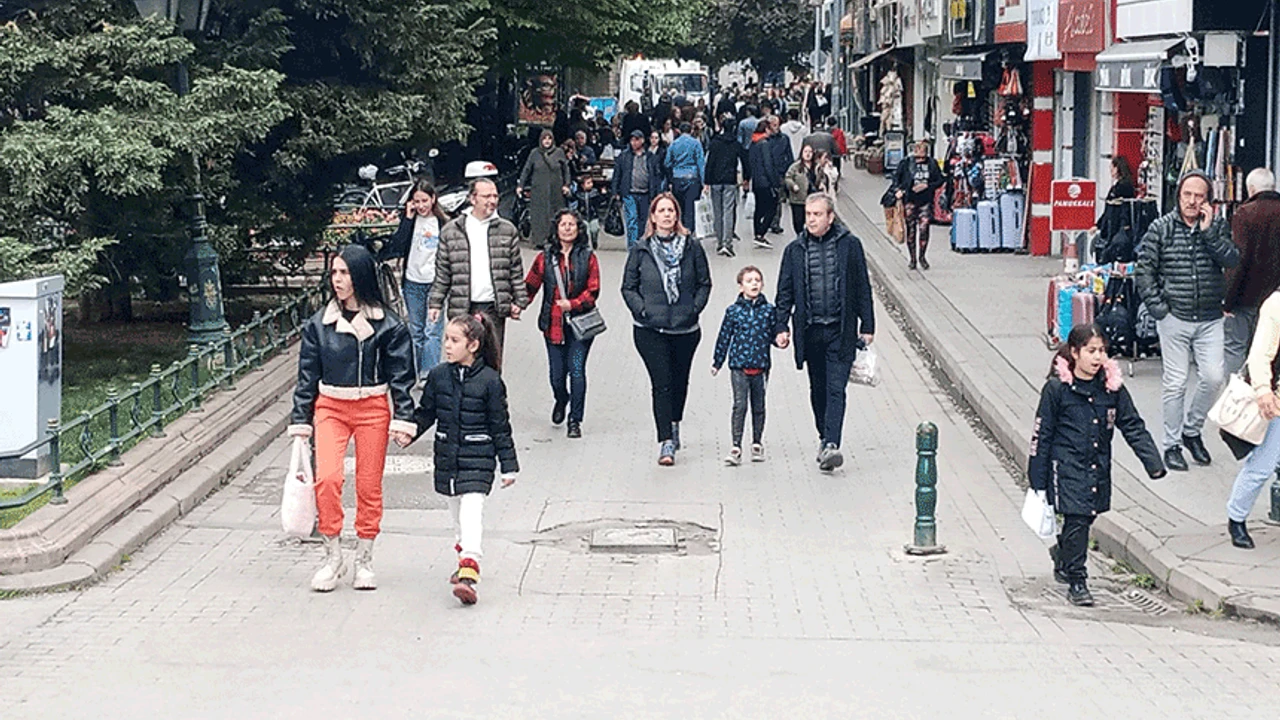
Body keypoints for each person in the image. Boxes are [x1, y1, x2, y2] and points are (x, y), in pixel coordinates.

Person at [289, 245, 417, 593]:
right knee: (327, 479)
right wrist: (301, 421)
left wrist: (404, 417)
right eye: (334, 272)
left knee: (368, 485)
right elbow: (306, 377)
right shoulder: (318, 325)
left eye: (344, 272)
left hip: (372, 406)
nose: (338, 279)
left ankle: (364, 559)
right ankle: (333, 556)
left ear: (360, 276)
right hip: (330, 406)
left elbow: (402, 376)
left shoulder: (389, 325)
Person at [1028, 324, 1166, 606]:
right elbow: (1042, 434)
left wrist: (1152, 461)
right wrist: (1037, 480)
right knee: (1077, 519)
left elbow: (1132, 425)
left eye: (1102, 350)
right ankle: (1077, 581)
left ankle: (1063, 553)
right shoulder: (1057, 389)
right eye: (1091, 351)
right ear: (1075, 353)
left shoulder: (1112, 388)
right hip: (1066, 467)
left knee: (1087, 517)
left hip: (1097, 466)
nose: (1097, 357)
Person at [406, 313, 518, 606]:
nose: (447, 345)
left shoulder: (491, 381)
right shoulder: (439, 376)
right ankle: (463, 561)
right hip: (448, 459)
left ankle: (469, 571)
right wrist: (410, 432)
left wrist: (509, 466)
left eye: (454, 340)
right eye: (446, 339)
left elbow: (500, 426)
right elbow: (427, 412)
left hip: (479, 459)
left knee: (471, 514)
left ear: (473, 345)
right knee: (457, 520)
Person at [1135, 170, 1240, 471]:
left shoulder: (1217, 226)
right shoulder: (1161, 228)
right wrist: (1159, 309)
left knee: (1213, 377)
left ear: (1208, 200)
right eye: (1187, 195)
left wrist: (1209, 233)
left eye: (1199, 196)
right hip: (1175, 316)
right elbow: (1144, 271)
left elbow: (1232, 260)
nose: (1192, 201)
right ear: (1178, 195)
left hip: (1209, 317)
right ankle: (1171, 445)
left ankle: (1192, 431)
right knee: (1176, 382)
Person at [774, 194, 875, 472]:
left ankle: (832, 443)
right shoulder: (795, 250)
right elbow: (784, 292)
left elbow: (862, 286)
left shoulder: (850, 245)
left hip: (840, 331)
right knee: (818, 389)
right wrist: (781, 326)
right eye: (808, 214)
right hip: (811, 331)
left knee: (836, 388)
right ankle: (823, 435)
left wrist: (867, 325)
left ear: (830, 217)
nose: (811, 219)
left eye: (817, 214)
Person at [622, 193, 713, 466]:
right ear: (652, 216)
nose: (666, 215)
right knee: (661, 383)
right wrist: (642, 310)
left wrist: (693, 309)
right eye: (661, 211)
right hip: (650, 329)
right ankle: (666, 441)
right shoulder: (641, 249)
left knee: (679, 382)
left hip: (685, 329)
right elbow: (628, 287)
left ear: (677, 215)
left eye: (670, 210)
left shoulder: (692, 247)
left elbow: (704, 283)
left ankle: (675, 423)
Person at [525, 210, 602, 438]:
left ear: (579, 229)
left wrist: (573, 304)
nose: (567, 228)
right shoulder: (545, 257)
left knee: (577, 371)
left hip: (581, 326)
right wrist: (517, 305)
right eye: (563, 224)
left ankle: (575, 420)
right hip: (553, 324)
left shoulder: (588, 257)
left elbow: (593, 291)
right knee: (557, 375)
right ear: (556, 229)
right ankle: (561, 398)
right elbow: (530, 285)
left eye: (572, 224)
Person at [429, 179, 529, 352]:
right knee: (464, 356)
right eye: (486, 196)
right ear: (473, 199)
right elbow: (443, 272)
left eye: (495, 196)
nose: (492, 200)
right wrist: (435, 303)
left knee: (492, 358)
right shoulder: (452, 231)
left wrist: (519, 301)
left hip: (493, 307)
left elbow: (515, 271)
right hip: (462, 306)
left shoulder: (507, 230)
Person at [1224, 287, 1280, 549]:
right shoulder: (1276, 304)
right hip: (1277, 398)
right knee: (1262, 465)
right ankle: (1236, 517)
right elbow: (1260, 353)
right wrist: (1263, 389)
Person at [382, 180, 449, 377]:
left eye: (424, 201)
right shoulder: (410, 221)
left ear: (433, 199)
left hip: (435, 283)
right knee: (416, 331)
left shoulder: (443, 223)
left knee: (432, 331)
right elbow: (398, 246)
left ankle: (429, 374)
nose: (421, 205)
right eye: (416, 201)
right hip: (413, 281)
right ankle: (415, 371)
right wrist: (408, 219)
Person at [711, 265, 775, 466]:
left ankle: (757, 442)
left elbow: (774, 333)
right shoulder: (733, 311)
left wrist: (781, 339)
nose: (754, 284)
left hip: (761, 366)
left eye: (757, 280)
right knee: (740, 405)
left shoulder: (768, 310)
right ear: (741, 286)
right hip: (739, 366)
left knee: (759, 406)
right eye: (749, 281)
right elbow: (724, 337)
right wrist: (717, 361)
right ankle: (736, 445)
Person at [1224, 168, 1280, 374]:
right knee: (1270, 352)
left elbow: (1239, 260)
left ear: (1252, 189)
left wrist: (1228, 300)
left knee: (1235, 349)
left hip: (1246, 298)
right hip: (1276, 298)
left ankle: (1236, 390)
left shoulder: (1245, 214)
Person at [891, 140, 945, 270]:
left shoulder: (931, 163)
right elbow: (896, 178)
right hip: (910, 200)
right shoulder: (906, 163)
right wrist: (898, 190)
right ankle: (913, 258)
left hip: (925, 201)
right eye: (918, 154)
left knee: (924, 229)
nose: (920, 158)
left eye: (922, 154)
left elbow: (940, 179)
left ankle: (922, 256)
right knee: (911, 230)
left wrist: (927, 185)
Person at [611, 129, 665, 249]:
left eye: (636, 140)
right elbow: (617, 174)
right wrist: (615, 191)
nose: (634, 143)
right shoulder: (624, 156)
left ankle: (640, 244)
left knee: (642, 222)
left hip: (646, 194)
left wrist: (657, 194)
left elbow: (656, 177)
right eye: (632, 140)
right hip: (629, 192)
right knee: (632, 221)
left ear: (642, 140)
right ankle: (632, 247)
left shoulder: (651, 157)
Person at [517, 129, 571, 246]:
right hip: (538, 189)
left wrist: (566, 185)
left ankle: (555, 240)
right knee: (539, 216)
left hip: (556, 190)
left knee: (555, 215)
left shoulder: (559, 152)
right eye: (544, 139)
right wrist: (521, 185)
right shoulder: (535, 153)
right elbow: (527, 169)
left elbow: (566, 170)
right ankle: (539, 241)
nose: (547, 141)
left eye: (549, 138)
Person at [706, 116, 747, 257]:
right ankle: (727, 243)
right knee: (728, 211)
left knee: (717, 211)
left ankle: (719, 241)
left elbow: (710, 162)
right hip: (730, 180)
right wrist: (746, 178)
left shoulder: (715, 143)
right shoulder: (736, 144)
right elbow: (744, 160)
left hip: (715, 181)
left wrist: (707, 181)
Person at [664, 121, 707, 237]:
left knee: (679, 207)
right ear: (691, 130)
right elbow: (700, 163)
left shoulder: (674, 144)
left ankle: (679, 230)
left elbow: (667, 162)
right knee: (690, 208)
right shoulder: (696, 143)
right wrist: (704, 182)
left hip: (677, 178)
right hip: (692, 178)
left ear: (679, 131)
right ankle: (689, 232)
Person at [746, 116, 783, 249]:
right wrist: (775, 182)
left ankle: (757, 233)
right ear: (766, 129)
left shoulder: (753, 143)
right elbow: (768, 165)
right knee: (772, 208)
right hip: (766, 182)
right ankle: (761, 233)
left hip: (756, 181)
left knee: (759, 208)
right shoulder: (765, 144)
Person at [784, 144, 820, 235]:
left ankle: (809, 236)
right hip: (798, 199)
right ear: (802, 153)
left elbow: (822, 178)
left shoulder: (817, 167)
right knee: (798, 222)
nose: (808, 154)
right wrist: (793, 185)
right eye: (805, 152)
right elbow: (788, 177)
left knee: (811, 221)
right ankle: (800, 236)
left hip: (813, 199)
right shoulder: (795, 166)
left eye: (810, 152)